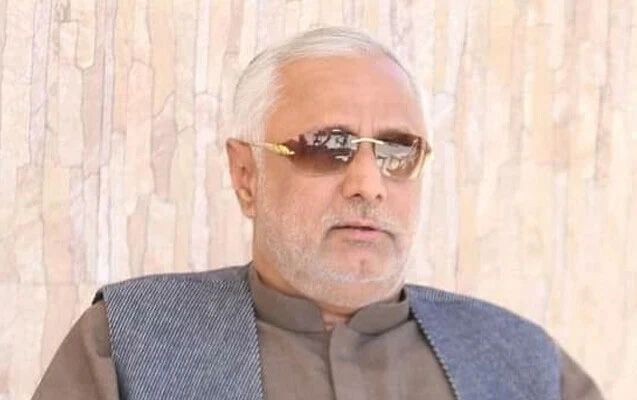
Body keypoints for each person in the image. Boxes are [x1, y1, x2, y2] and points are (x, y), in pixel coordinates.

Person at [32, 27, 603, 400]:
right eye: (328, 146)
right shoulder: (129, 344)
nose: (368, 185)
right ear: (246, 175)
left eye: (397, 151)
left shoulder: (523, 364)